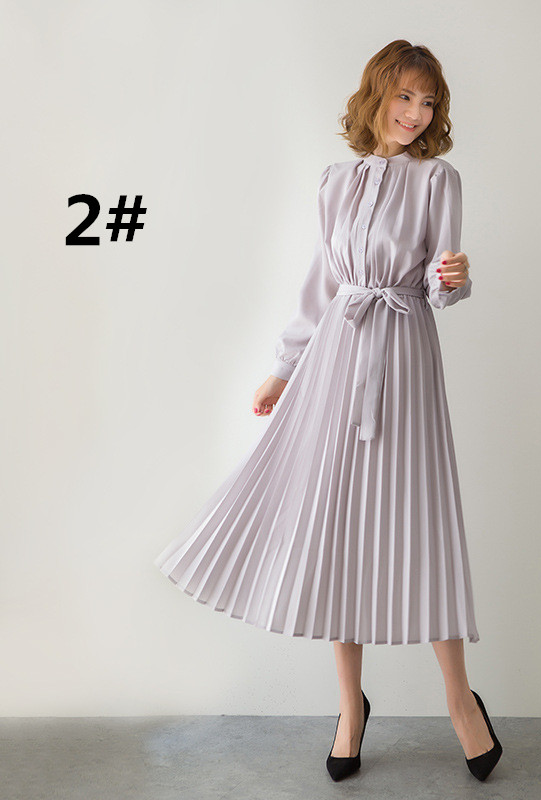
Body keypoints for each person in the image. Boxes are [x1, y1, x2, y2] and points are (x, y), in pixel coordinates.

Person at [153, 39, 502, 782]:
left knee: (420, 520)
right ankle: (350, 707)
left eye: (428, 102)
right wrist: (284, 369)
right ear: (376, 96)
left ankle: (459, 699)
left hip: (403, 351)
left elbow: (440, 286)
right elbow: (321, 286)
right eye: (404, 97)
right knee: (336, 525)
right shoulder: (335, 181)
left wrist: (455, 278)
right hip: (336, 358)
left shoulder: (438, 179)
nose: (415, 113)